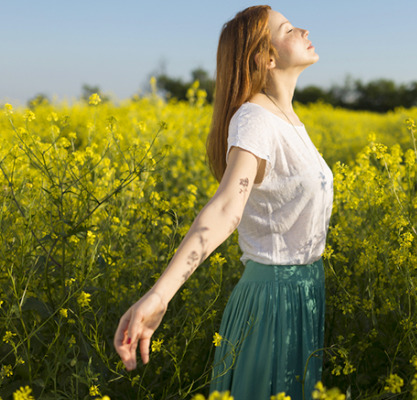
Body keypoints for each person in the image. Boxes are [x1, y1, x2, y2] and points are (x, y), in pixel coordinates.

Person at [114, 5, 333, 399]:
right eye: (287, 30)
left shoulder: (287, 119)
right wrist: (160, 295)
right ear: (265, 57)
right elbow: (226, 208)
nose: (303, 30)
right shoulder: (255, 120)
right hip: (274, 300)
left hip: (304, 293)